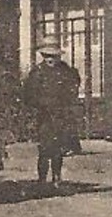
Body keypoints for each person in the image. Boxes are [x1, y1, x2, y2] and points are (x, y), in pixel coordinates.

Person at [24, 40, 82, 190]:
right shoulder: (37, 73)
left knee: (58, 149)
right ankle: (42, 179)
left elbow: (73, 87)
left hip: (61, 114)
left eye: (53, 56)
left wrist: (68, 104)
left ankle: (57, 177)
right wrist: (39, 106)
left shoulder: (65, 71)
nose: (50, 59)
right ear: (43, 56)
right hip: (44, 116)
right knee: (44, 148)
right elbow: (29, 94)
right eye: (47, 56)